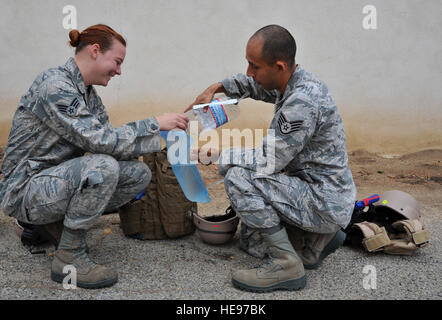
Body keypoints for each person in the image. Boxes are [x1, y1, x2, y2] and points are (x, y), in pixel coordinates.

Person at [0, 24, 189, 289]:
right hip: (24, 189)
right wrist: (155, 122)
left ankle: (56, 226)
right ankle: (69, 257)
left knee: (137, 174)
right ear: (96, 51)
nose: (119, 71)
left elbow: (111, 142)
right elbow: (100, 142)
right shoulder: (56, 86)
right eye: (117, 62)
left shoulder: (88, 94)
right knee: (102, 168)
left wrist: (162, 143)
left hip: (52, 182)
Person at [186, 25, 356, 292]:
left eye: (254, 65)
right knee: (250, 242)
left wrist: (218, 154)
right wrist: (216, 87)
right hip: (319, 191)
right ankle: (315, 241)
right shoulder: (292, 80)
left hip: (324, 199)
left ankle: (286, 263)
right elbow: (253, 85)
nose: (249, 72)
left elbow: (268, 160)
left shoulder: (302, 102)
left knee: (239, 177)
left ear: (279, 66)